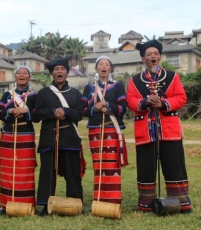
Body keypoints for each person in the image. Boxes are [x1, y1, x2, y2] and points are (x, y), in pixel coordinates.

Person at [127, 40, 191, 213]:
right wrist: (145, 101)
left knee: (174, 165)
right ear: (143, 59)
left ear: (160, 57)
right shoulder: (134, 81)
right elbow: (131, 101)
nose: (153, 56)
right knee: (145, 167)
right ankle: (146, 204)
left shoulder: (173, 77)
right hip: (145, 132)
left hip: (168, 130)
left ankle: (180, 203)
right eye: (149, 54)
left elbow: (180, 97)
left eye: (155, 54)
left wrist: (163, 103)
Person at [35, 58, 86, 216]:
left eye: (62, 69)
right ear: (52, 73)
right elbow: (35, 115)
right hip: (49, 139)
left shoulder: (75, 93)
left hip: (70, 139)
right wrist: (52, 112)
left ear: (67, 72)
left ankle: (75, 204)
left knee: (73, 173)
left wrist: (66, 111)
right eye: (56, 69)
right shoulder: (43, 93)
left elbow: (80, 114)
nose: (59, 72)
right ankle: (46, 205)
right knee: (47, 173)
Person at [82, 55, 128, 206]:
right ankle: (99, 199)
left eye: (106, 65)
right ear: (96, 69)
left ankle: (113, 199)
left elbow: (122, 108)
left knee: (112, 164)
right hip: (95, 130)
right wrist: (95, 107)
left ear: (110, 68)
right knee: (99, 164)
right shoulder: (89, 87)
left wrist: (106, 105)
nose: (103, 67)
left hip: (112, 129)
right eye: (100, 65)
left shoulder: (117, 86)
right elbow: (83, 110)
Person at [0, 66, 37, 215]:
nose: (21, 75)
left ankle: (27, 203)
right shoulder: (7, 95)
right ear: (15, 77)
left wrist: (26, 111)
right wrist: (10, 111)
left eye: (25, 73)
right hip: (8, 135)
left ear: (29, 77)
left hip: (25, 136)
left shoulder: (33, 96)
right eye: (19, 73)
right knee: (7, 170)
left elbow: (38, 116)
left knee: (25, 169)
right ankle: (5, 204)